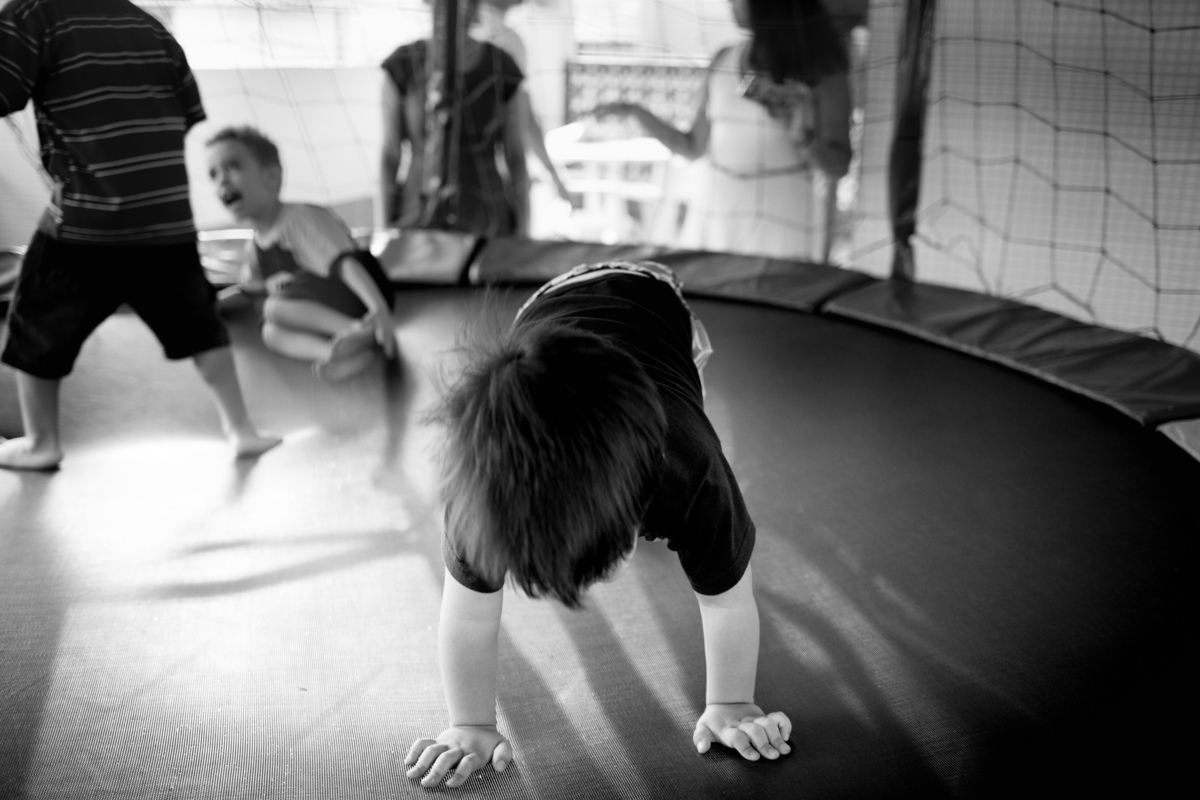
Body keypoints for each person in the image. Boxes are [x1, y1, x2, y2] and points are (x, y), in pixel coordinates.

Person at [404, 260, 791, 789]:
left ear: (644, 498)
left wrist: (731, 701)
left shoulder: (691, 467)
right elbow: (469, 616)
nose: (597, 582)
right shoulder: (481, 497)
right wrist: (469, 722)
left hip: (651, 298)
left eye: (611, 554)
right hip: (544, 312)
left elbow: (726, 600)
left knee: (685, 378)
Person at [0, 0, 280, 471]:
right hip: (166, 221)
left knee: (35, 327)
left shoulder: (33, 15)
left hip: (85, 227)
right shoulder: (149, 24)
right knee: (202, 328)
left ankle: (42, 441)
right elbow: (185, 115)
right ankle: (241, 429)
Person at [594, 0, 851, 262]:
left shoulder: (822, 68)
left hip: (785, 220)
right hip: (716, 214)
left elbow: (838, 167)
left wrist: (801, 135)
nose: (729, 4)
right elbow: (692, 148)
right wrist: (636, 113)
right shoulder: (723, 59)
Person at [205, 126, 398, 383]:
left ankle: (363, 331)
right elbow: (249, 289)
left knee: (274, 307)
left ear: (271, 178)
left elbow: (345, 264)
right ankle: (334, 354)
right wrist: (209, 308)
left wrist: (378, 308)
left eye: (233, 166)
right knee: (270, 332)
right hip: (320, 307)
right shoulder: (257, 244)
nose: (222, 180)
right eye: (213, 174)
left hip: (360, 293)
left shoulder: (300, 219)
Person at [379, 0, 531, 237]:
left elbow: (516, 157)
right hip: (417, 216)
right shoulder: (403, 64)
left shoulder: (502, 66)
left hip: (488, 220)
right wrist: (384, 227)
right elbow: (390, 155)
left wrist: (524, 229)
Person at [471, 0, 572, 204]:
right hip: (487, 180)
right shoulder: (505, 39)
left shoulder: (468, 27)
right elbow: (524, 118)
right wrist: (553, 174)